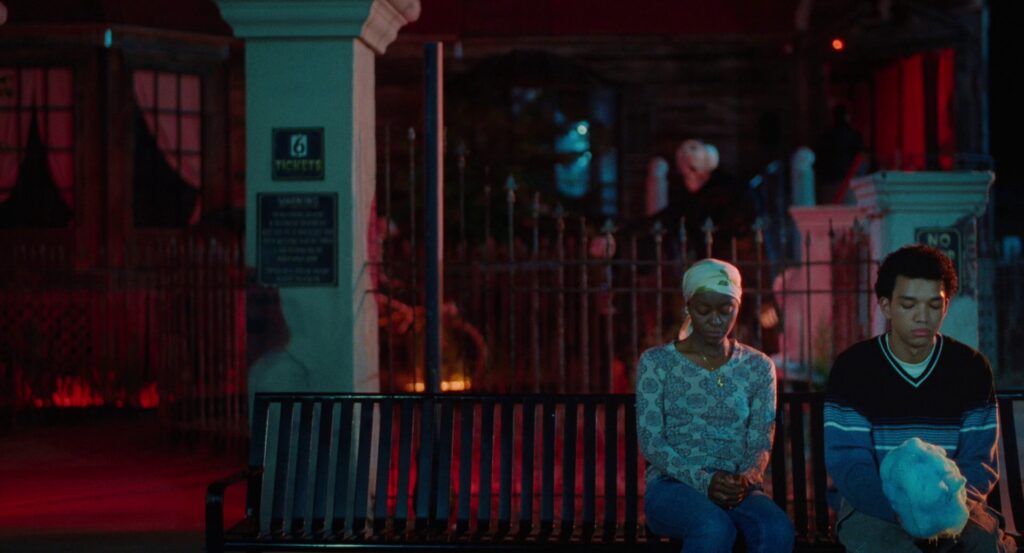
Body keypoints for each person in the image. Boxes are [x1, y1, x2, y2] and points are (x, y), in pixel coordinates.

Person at [824, 245, 1014, 552]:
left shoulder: (971, 368)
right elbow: (850, 463)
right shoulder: (854, 369)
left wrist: (943, 506)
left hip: (954, 503)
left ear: (946, 306)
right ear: (886, 306)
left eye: (933, 305)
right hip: (876, 508)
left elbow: (980, 461)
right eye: (909, 305)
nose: (922, 317)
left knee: (983, 545)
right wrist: (904, 511)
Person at [636, 258, 794, 553]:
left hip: (737, 488)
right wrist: (704, 481)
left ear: (738, 306)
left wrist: (746, 479)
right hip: (672, 486)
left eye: (726, 310)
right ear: (688, 306)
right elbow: (651, 441)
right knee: (712, 526)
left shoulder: (758, 367)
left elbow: (761, 438)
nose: (715, 320)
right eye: (703, 310)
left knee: (775, 529)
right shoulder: (657, 363)